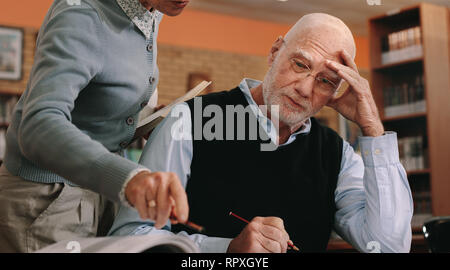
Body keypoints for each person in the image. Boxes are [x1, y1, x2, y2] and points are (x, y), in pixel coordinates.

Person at [108, 13, 414, 253]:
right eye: (299, 64)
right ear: (274, 52)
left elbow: (387, 246)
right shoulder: (188, 120)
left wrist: (373, 130)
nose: (306, 88)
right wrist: (226, 249)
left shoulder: (337, 153)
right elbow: (131, 238)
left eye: (325, 81)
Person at [0, 0, 192, 253]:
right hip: (47, 200)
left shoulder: (149, 12)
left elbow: (100, 96)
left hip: (99, 194)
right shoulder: (82, 13)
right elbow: (38, 124)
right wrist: (130, 179)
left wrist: (146, 118)